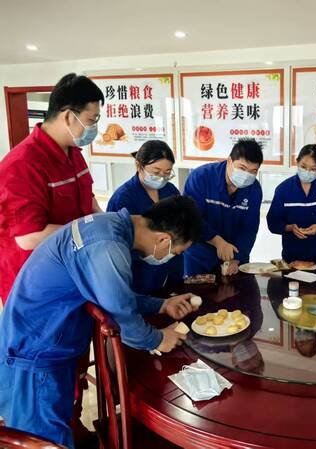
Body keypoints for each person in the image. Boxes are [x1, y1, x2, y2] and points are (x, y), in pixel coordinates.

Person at [0, 196, 203, 448]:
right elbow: (124, 319)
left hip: (40, 340)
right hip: (33, 355)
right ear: (163, 239)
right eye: (175, 252)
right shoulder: (107, 247)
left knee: (54, 426)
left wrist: (162, 305)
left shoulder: (108, 226)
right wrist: (159, 339)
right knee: (43, 440)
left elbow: (115, 296)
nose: (170, 257)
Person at [0, 73, 104, 305]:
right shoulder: (22, 165)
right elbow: (29, 237)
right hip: (35, 287)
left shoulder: (73, 153)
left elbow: (88, 200)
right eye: (91, 120)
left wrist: (108, 222)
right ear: (68, 116)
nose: (94, 128)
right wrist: (94, 232)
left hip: (71, 273)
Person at [107, 140, 183, 293]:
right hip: (141, 272)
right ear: (139, 166)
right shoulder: (123, 198)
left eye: (167, 173)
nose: (161, 178)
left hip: (172, 268)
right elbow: (116, 243)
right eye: (156, 172)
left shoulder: (170, 191)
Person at [184, 139, 263, 276]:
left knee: (236, 289)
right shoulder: (201, 177)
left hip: (234, 257)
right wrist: (217, 241)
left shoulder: (254, 189)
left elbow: (249, 228)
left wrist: (237, 258)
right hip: (200, 256)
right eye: (242, 168)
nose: (247, 175)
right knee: (197, 289)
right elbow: (190, 218)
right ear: (229, 161)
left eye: (253, 171)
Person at [266, 144, 316, 265]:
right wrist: (289, 228)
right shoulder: (283, 189)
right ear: (297, 162)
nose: (307, 172)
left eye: (313, 169)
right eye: (303, 166)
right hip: (292, 256)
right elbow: (273, 222)